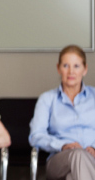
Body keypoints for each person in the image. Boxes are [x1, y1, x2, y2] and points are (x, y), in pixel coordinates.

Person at [29, 45, 95, 180]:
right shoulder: (47, 99)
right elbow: (36, 136)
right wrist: (63, 146)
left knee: (72, 177)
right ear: (58, 68)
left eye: (76, 66)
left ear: (85, 69)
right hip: (59, 161)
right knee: (77, 155)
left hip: (92, 158)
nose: (71, 71)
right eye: (66, 65)